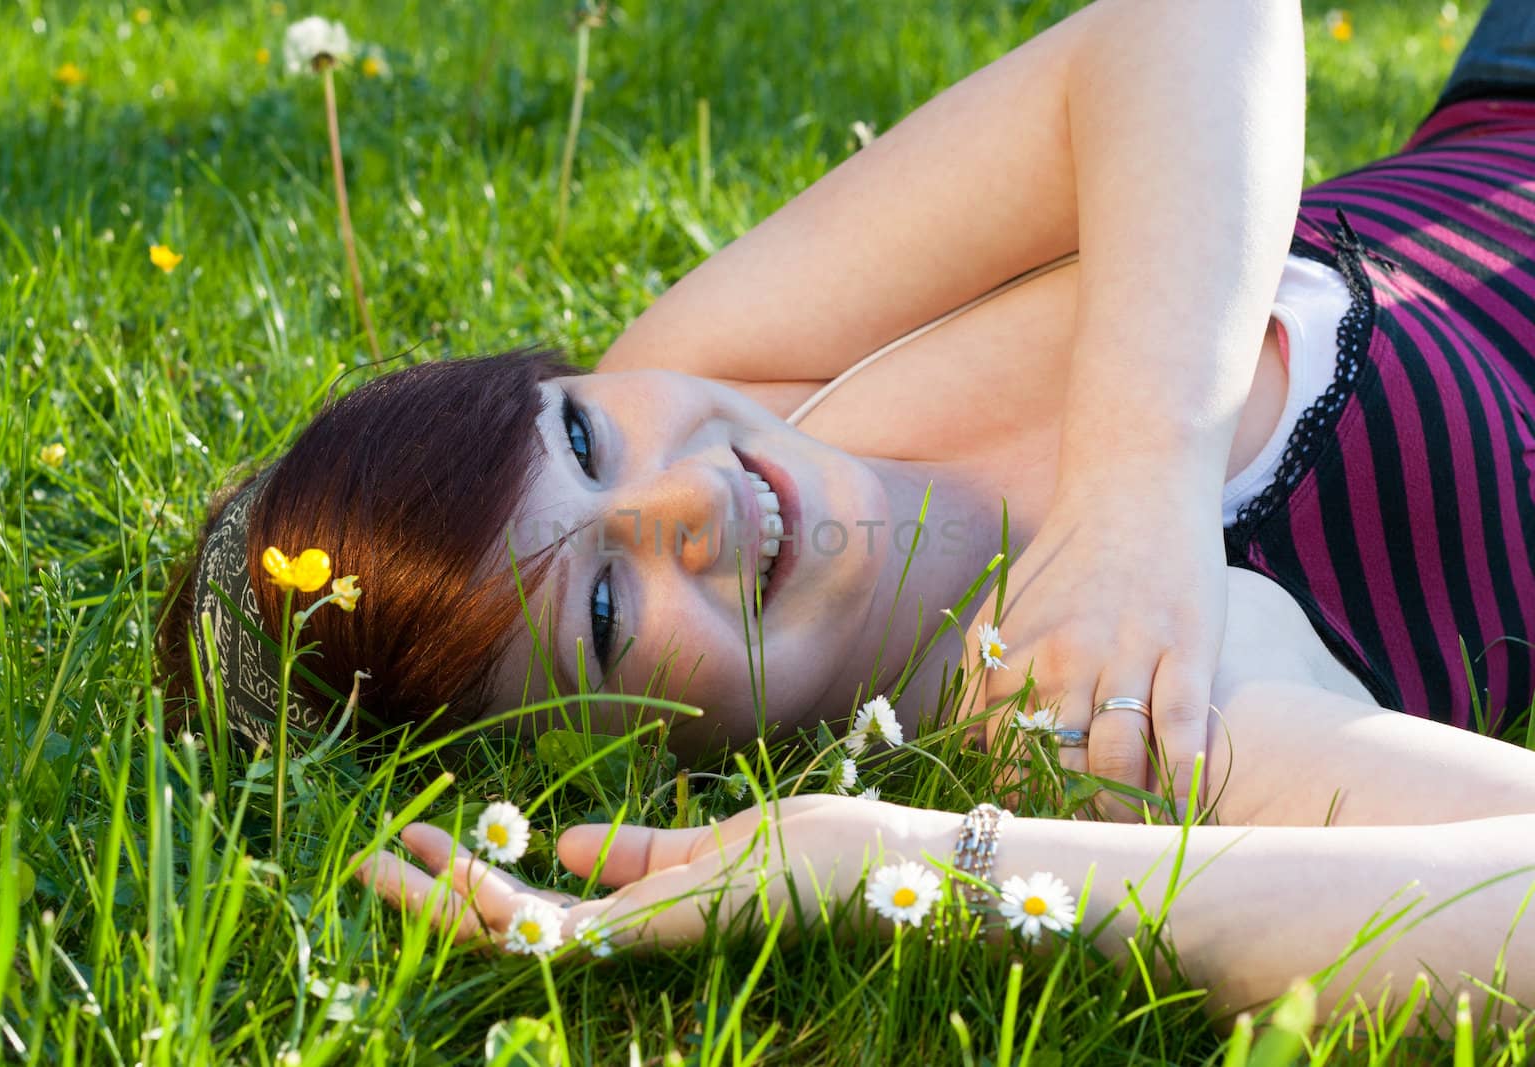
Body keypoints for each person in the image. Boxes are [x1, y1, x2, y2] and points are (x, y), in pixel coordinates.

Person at [159, 0, 1535, 1014]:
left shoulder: (724, 366)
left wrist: (1139, 478)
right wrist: (879, 859)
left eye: (580, 436)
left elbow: (1191, 22)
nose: (685, 493)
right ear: (632, 773)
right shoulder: (1075, 712)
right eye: (603, 603)